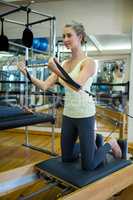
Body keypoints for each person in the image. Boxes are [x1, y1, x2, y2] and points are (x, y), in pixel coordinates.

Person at [18, 22, 122, 170]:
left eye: (69, 35)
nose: (65, 39)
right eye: (64, 36)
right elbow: (44, 85)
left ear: (80, 37)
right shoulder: (65, 63)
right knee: (66, 157)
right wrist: (26, 73)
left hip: (85, 114)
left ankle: (110, 144)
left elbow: (76, 86)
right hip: (69, 114)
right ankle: (95, 140)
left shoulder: (89, 62)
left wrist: (55, 69)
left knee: (89, 165)